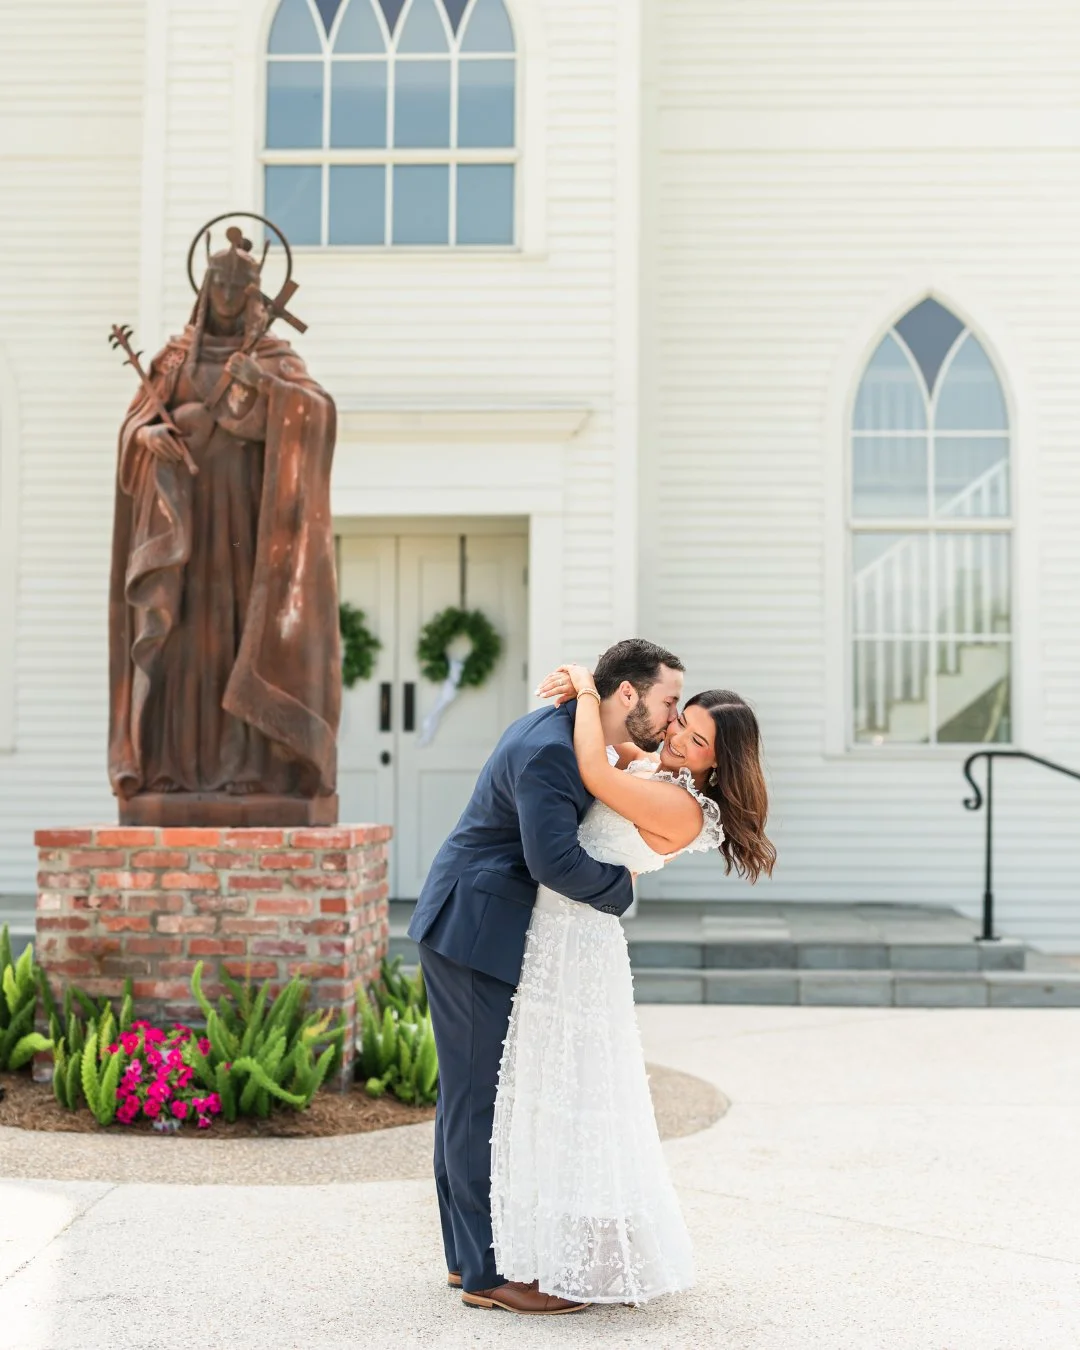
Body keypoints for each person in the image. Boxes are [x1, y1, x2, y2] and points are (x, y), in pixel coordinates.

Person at [407, 639, 686, 1316]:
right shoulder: (552, 750)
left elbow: (615, 769)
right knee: (476, 1103)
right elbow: (555, 861)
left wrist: (588, 689)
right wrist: (623, 888)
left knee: (468, 1099)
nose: (674, 716)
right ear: (630, 695)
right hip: (474, 930)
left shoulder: (577, 731)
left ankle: (462, 1258)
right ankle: (485, 1274)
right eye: (670, 700)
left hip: (478, 922)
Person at [489, 660, 775, 1307]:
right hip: (559, 936)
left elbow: (593, 772)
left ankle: (571, 1279)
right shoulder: (658, 772)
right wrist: (596, 702)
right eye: (683, 723)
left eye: (697, 742)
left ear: (719, 765)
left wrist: (587, 687)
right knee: (557, 1090)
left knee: (578, 1096)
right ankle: (558, 1258)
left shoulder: (681, 807)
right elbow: (615, 749)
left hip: (580, 949)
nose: (677, 739)